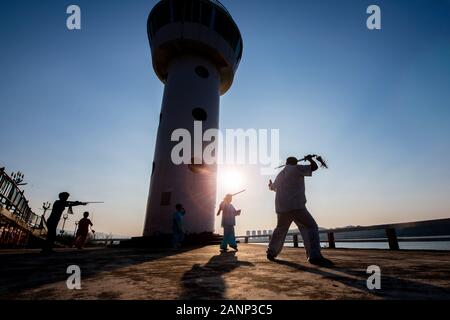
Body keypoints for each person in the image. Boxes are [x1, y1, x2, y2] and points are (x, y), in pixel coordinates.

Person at [267, 155, 333, 266]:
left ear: (286, 163)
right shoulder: (297, 168)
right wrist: (311, 159)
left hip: (282, 209)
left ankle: (271, 252)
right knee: (310, 227)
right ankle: (314, 256)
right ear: (295, 163)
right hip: (297, 207)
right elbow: (314, 167)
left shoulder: (280, 174)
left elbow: (273, 187)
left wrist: (270, 185)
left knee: (280, 230)